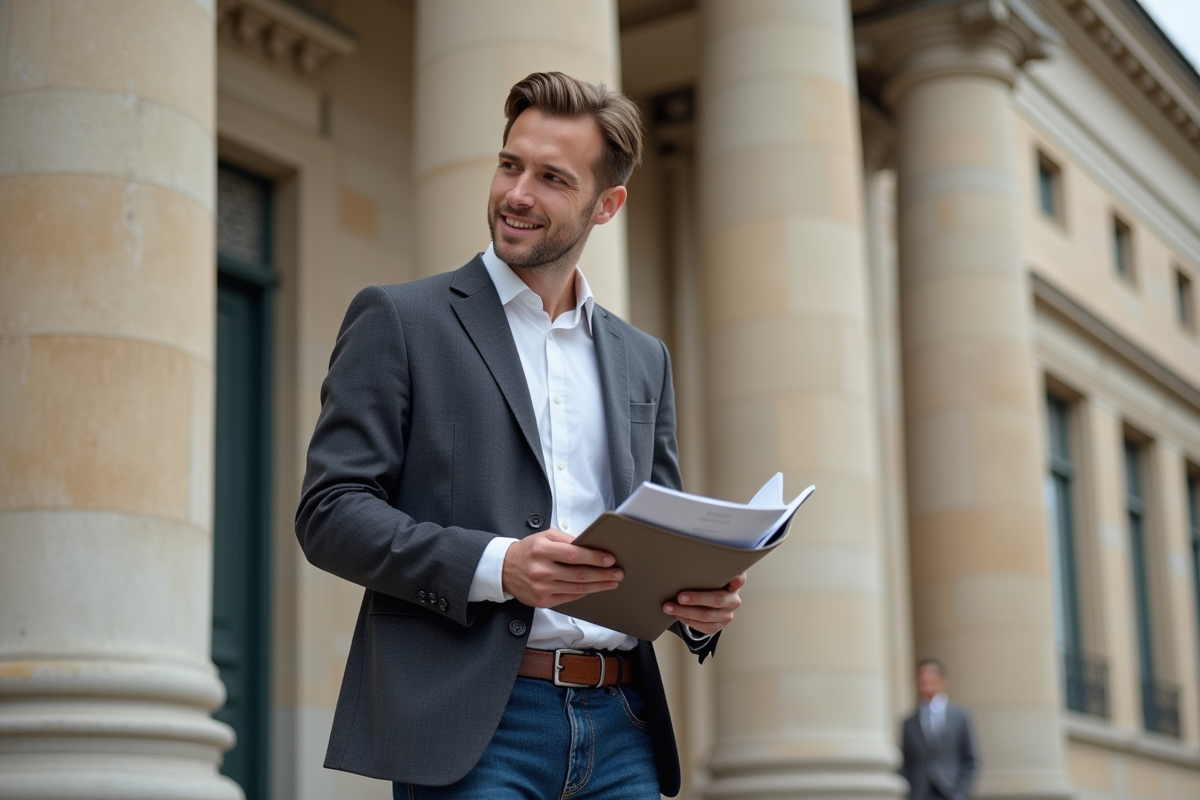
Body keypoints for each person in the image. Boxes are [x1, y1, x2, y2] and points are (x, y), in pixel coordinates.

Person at [295, 71, 745, 799]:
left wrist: (696, 607)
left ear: (607, 205)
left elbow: (659, 528)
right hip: (474, 731)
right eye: (510, 165)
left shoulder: (643, 358)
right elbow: (330, 513)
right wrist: (499, 565)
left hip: (623, 728)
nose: (517, 194)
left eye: (552, 178)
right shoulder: (401, 321)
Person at [900, 658, 979, 800]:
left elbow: (970, 759)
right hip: (920, 793)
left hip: (951, 792)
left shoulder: (960, 717)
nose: (927, 687)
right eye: (922, 682)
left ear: (943, 681)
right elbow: (905, 761)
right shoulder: (909, 723)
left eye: (931, 681)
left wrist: (961, 794)